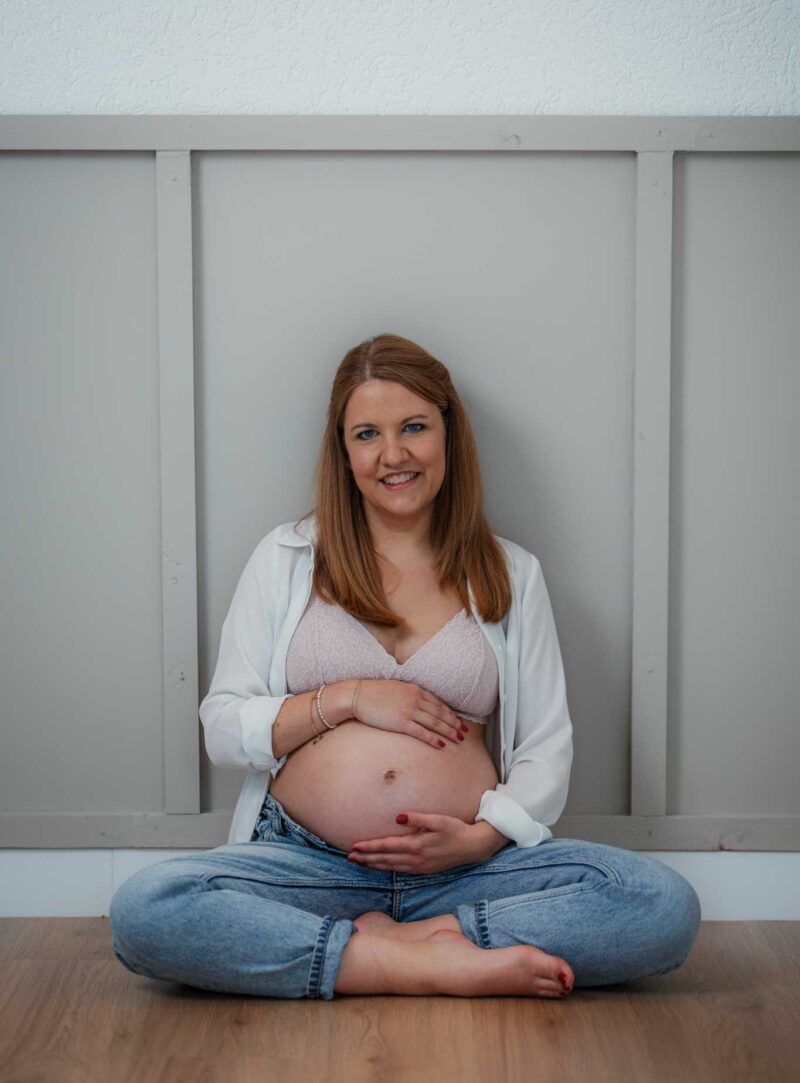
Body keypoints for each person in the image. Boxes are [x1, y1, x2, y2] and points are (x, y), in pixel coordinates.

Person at [109, 333, 701, 1001]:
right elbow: (222, 728)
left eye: (414, 427)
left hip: (464, 874)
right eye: (367, 434)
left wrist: (481, 839)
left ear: (448, 433)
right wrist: (349, 698)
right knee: (147, 907)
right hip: (308, 865)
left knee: (658, 902)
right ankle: (416, 961)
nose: (393, 454)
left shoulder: (509, 574)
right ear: (344, 451)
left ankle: (412, 937)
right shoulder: (288, 559)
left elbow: (545, 747)